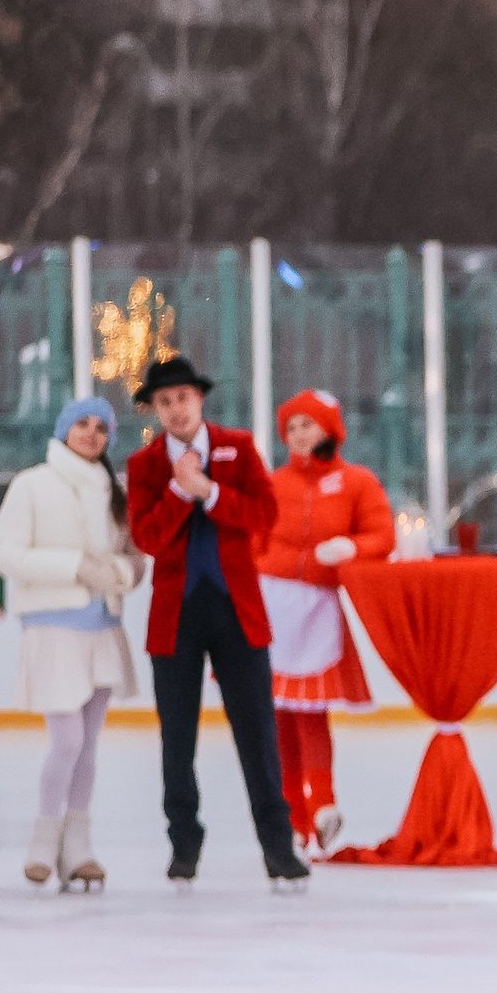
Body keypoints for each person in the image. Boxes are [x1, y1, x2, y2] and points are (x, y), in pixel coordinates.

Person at [124, 356, 310, 890]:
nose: (176, 409)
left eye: (183, 397)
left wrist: (211, 493)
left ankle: (278, 846)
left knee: (257, 732)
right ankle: (184, 843)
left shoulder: (239, 446)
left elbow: (264, 516)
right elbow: (149, 540)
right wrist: (181, 493)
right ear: (155, 410)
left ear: (199, 400)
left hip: (237, 612)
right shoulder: (145, 466)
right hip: (176, 616)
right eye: (164, 401)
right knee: (176, 737)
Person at [0, 398, 147, 890]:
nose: (92, 433)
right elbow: (7, 555)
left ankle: (77, 846)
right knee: (68, 741)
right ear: (63, 429)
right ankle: (44, 838)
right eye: (82, 423)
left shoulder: (113, 491)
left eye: (102, 427)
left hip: (103, 629)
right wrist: (74, 566)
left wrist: (116, 573)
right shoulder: (32, 484)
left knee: (89, 747)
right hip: (53, 630)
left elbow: (134, 558)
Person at [254, 389, 392, 852]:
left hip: (317, 609)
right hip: (272, 604)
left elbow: (382, 534)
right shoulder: (274, 483)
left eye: (306, 425)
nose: (297, 434)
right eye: (290, 428)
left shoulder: (357, 482)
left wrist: (352, 548)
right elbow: (252, 538)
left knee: (311, 714)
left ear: (330, 428)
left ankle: (324, 805)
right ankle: (294, 817)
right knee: (278, 717)